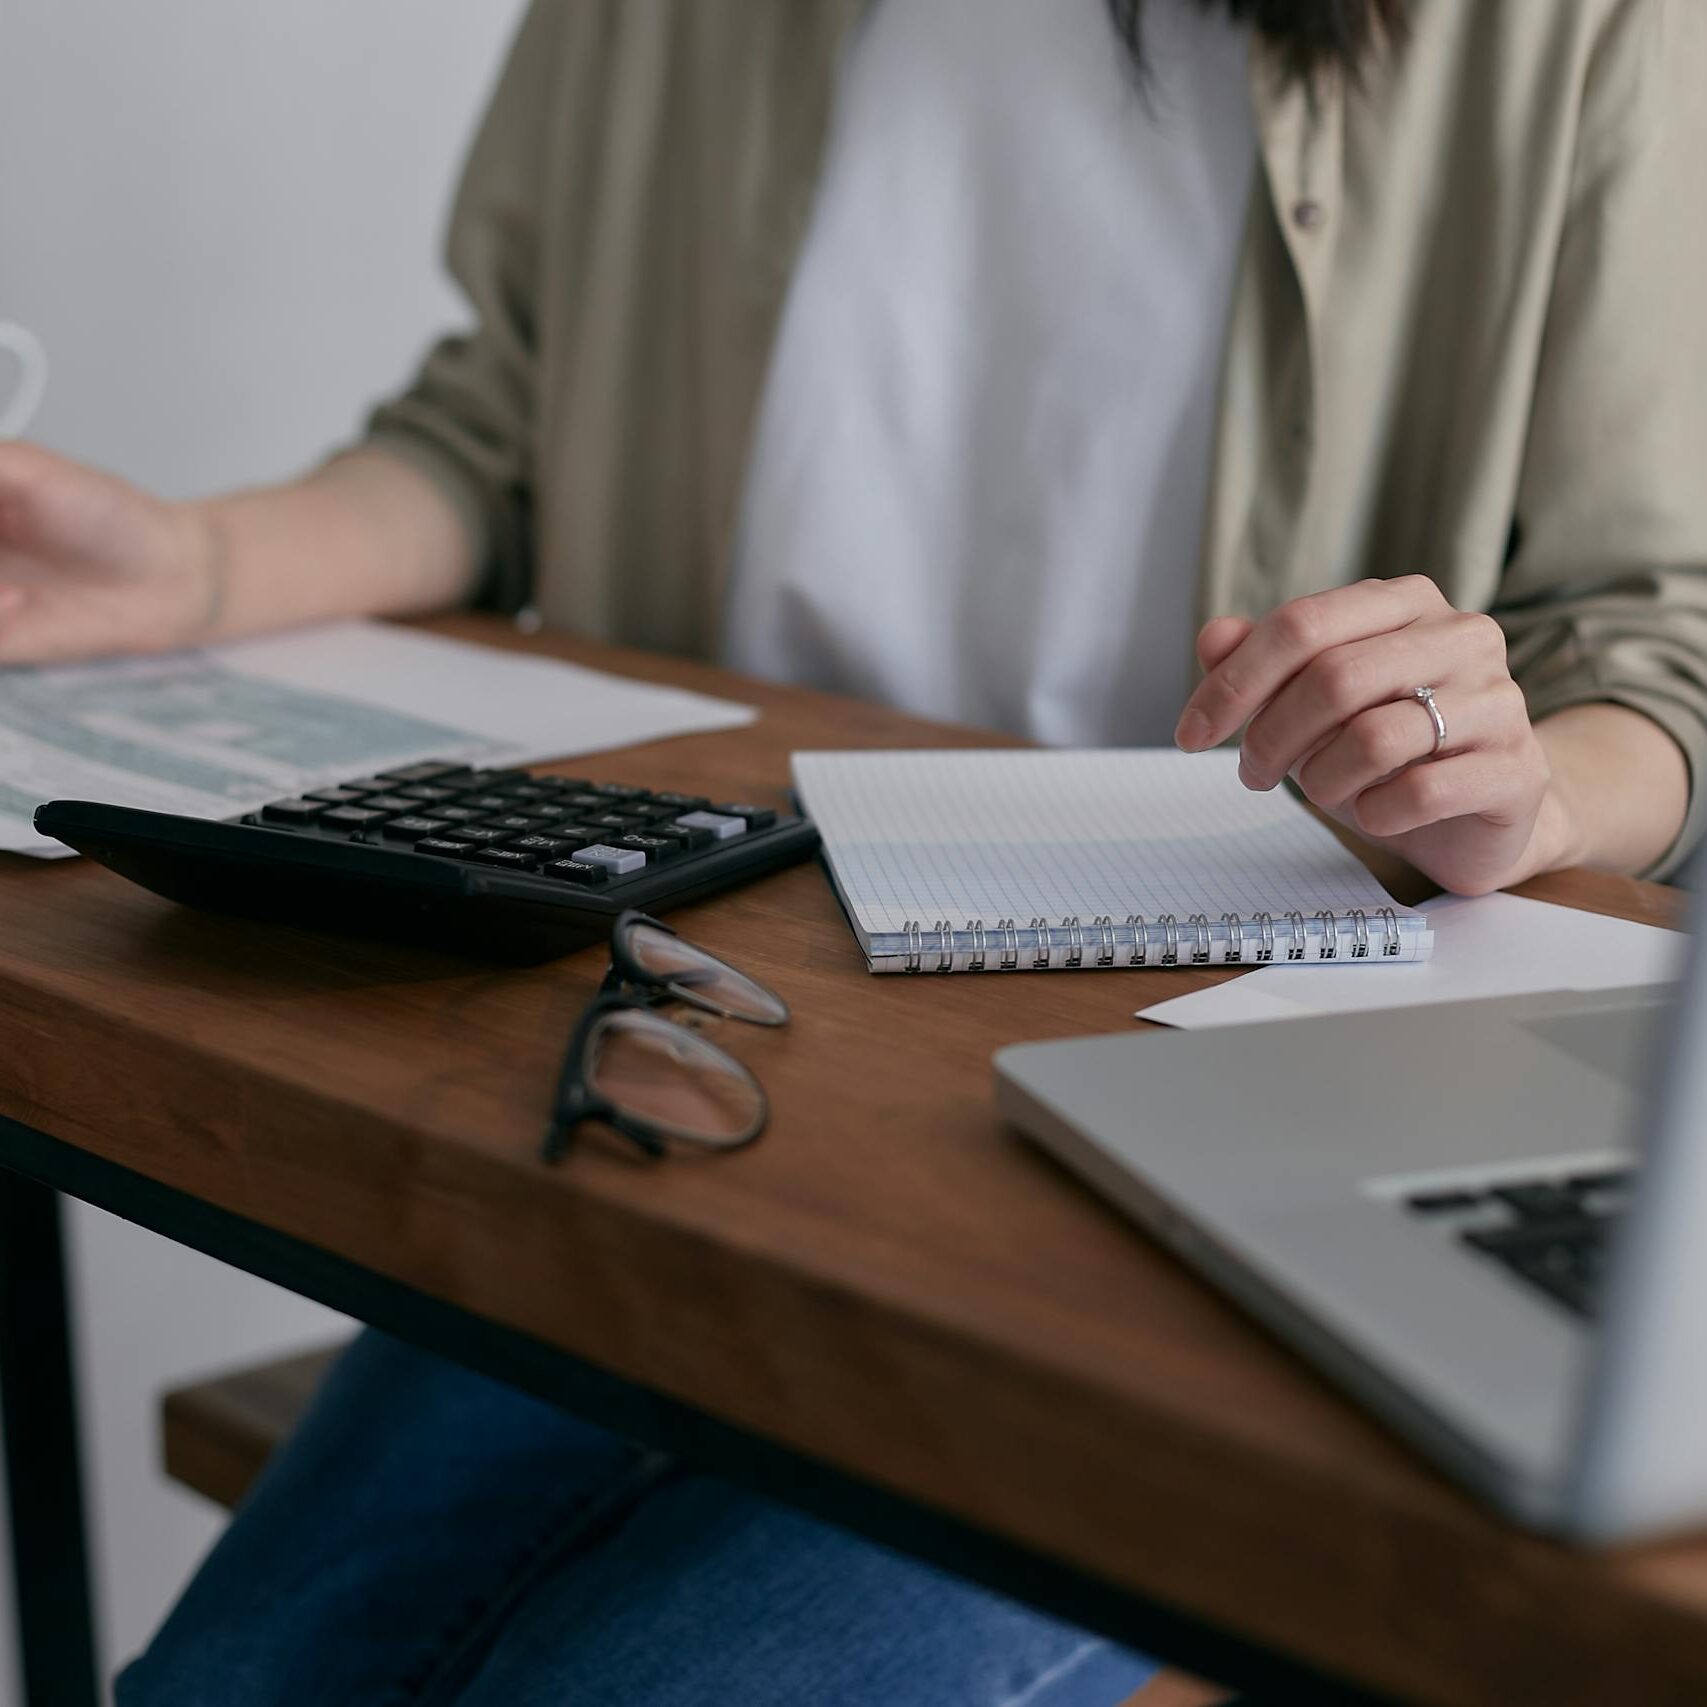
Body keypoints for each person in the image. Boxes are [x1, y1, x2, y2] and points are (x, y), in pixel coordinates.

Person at [1, 0, 1702, 1700]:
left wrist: (1523, 797)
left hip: (1218, 1108)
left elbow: (1655, 649)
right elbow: (498, 435)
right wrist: (192, 568)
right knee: (229, 1680)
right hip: (679, 1036)